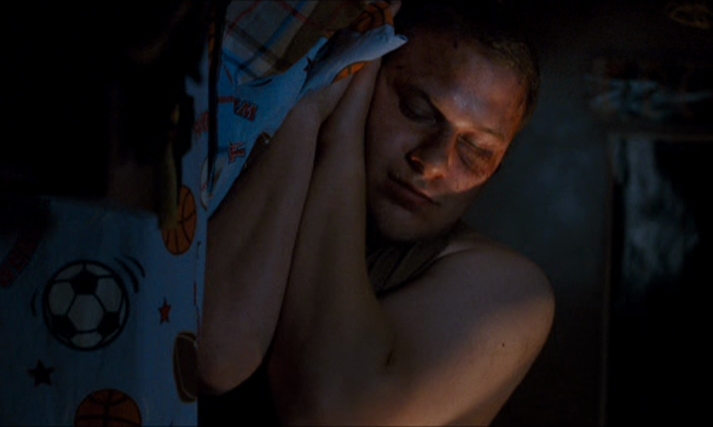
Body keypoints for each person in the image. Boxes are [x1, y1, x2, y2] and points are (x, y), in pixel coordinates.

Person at [198, 1, 554, 425]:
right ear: (366, 69)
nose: (434, 161)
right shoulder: (257, 161)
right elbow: (213, 350)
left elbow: (329, 409)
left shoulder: (511, 290)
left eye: (477, 151)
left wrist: (342, 134)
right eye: (416, 110)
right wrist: (311, 109)